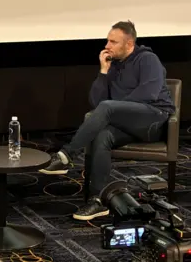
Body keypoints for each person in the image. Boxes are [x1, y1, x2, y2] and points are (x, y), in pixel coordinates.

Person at [39, 21, 175, 220]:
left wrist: (114, 109)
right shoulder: (114, 66)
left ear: (129, 44)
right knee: (103, 135)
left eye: (113, 42)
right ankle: (98, 201)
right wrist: (103, 72)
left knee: (108, 108)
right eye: (107, 40)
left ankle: (66, 156)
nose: (107, 46)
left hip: (154, 120)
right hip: (129, 123)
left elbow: (149, 93)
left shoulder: (148, 59)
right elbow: (97, 103)